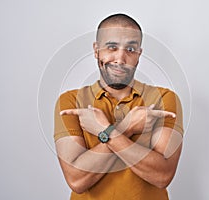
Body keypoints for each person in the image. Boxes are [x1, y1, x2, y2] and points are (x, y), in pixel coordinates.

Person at [54, 13, 184, 200]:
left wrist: (105, 131)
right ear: (96, 50)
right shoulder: (70, 101)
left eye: (130, 49)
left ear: (139, 55)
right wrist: (128, 126)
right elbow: (77, 180)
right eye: (112, 47)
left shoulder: (163, 98)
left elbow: (162, 175)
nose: (120, 58)